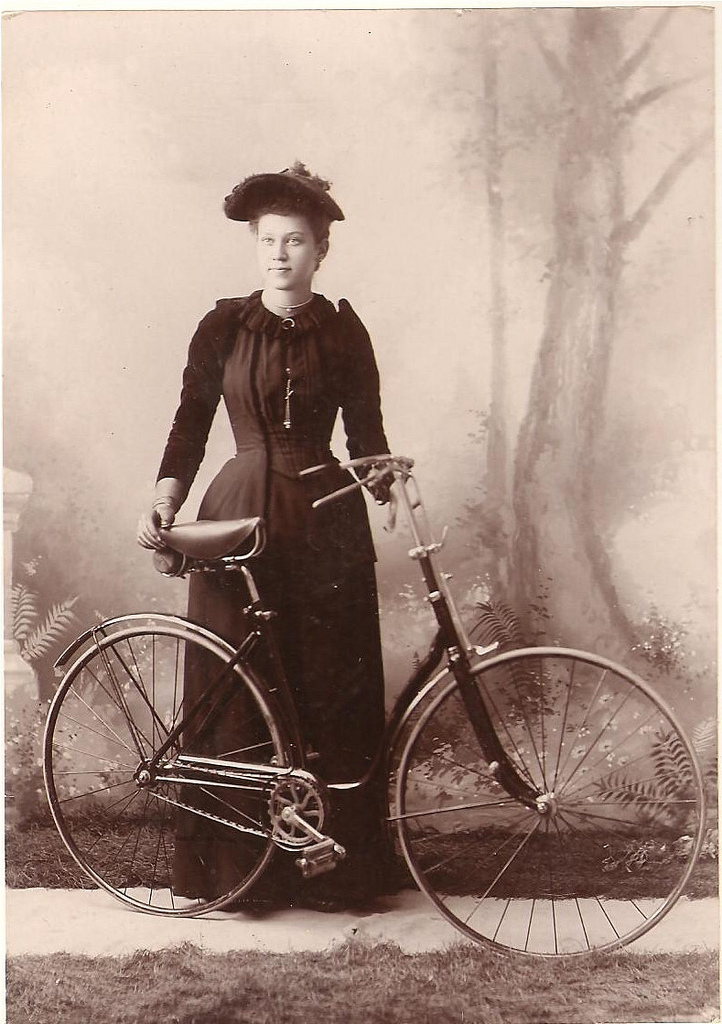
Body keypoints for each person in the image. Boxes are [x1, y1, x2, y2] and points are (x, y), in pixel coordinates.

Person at [137, 162, 393, 911]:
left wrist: (377, 475)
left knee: (330, 685)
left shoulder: (345, 331)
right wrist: (167, 494)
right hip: (244, 507)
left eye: (296, 241)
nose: (280, 254)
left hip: (325, 519)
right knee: (240, 690)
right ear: (257, 247)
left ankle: (331, 874)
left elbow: (367, 432)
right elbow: (190, 421)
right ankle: (242, 875)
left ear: (322, 251)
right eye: (269, 241)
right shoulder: (222, 325)